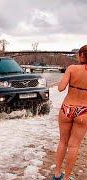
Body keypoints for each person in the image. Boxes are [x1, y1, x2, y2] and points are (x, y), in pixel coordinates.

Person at [53, 45, 87, 180]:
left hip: (67, 108)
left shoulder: (72, 68)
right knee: (74, 146)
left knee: (63, 142)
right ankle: (66, 178)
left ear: (81, 55)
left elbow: (61, 88)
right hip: (84, 111)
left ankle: (57, 174)